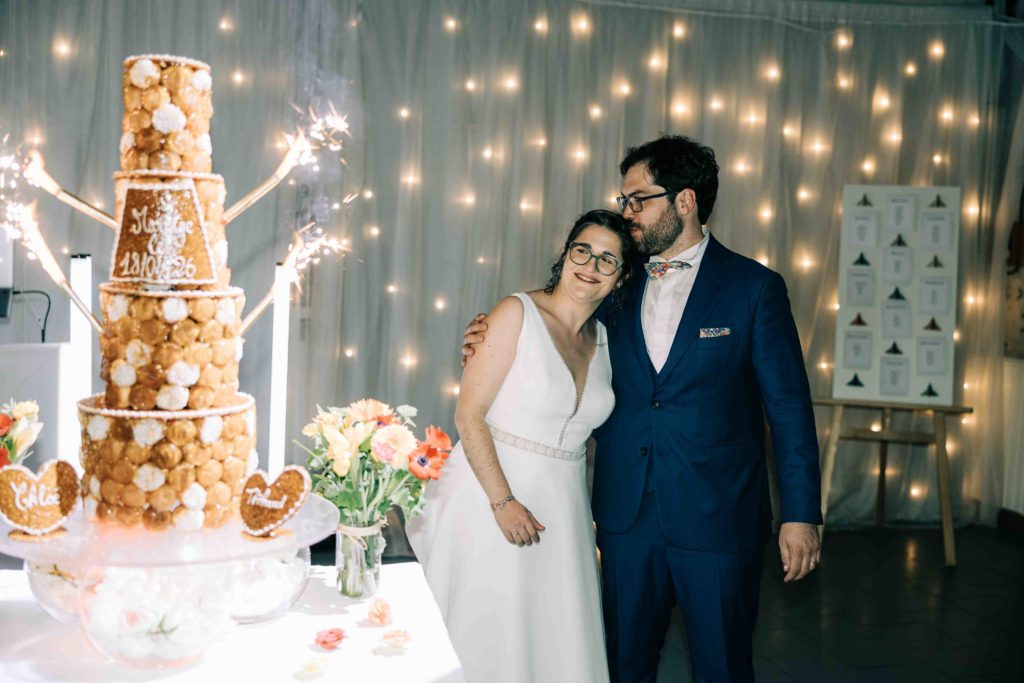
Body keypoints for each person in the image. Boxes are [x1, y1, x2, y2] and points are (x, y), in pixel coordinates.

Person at [462, 135, 822, 682]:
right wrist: (490, 332)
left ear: (684, 202)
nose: (626, 211)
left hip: (719, 518)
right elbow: (555, 320)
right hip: (625, 518)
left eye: (638, 199)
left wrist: (800, 513)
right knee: (623, 664)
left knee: (723, 666)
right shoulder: (618, 284)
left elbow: (789, 409)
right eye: (624, 199)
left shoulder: (755, 289)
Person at [407, 209, 637, 682]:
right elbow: (468, 415)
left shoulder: (610, 341)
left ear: (620, 277)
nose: (591, 266)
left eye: (608, 260)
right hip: (490, 496)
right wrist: (503, 501)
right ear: (565, 254)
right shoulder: (515, 313)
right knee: (489, 632)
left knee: (553, 636)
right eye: (583, 251)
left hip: (564, 510)